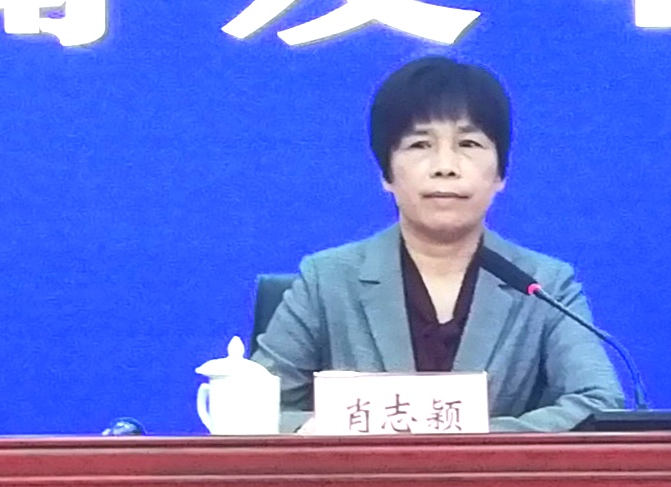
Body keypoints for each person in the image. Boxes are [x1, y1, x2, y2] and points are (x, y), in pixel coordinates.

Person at [254, 56, 625, 433]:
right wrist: (340, 430)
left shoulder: (543, 284)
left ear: (500, 174)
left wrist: (475, 439)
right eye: (420, 144)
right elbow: (252, 409)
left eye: (468, 143)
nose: (445, 166)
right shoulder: (327, 280)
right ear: (386, 173)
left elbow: (598, 401)